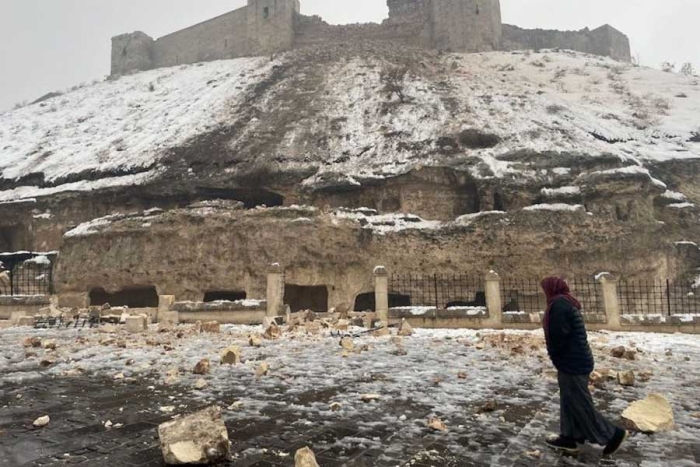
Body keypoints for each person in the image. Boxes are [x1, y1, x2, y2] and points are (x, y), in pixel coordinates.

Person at [541, 277, 627, 457]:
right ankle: (569, 437)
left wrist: (555, 355)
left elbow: (559, 336)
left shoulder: (559, 305)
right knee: (569, 400)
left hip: (572, 362)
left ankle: (612, 435)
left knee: (579, 403)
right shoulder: (566, 302)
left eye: (545, 288)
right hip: (576, 360)